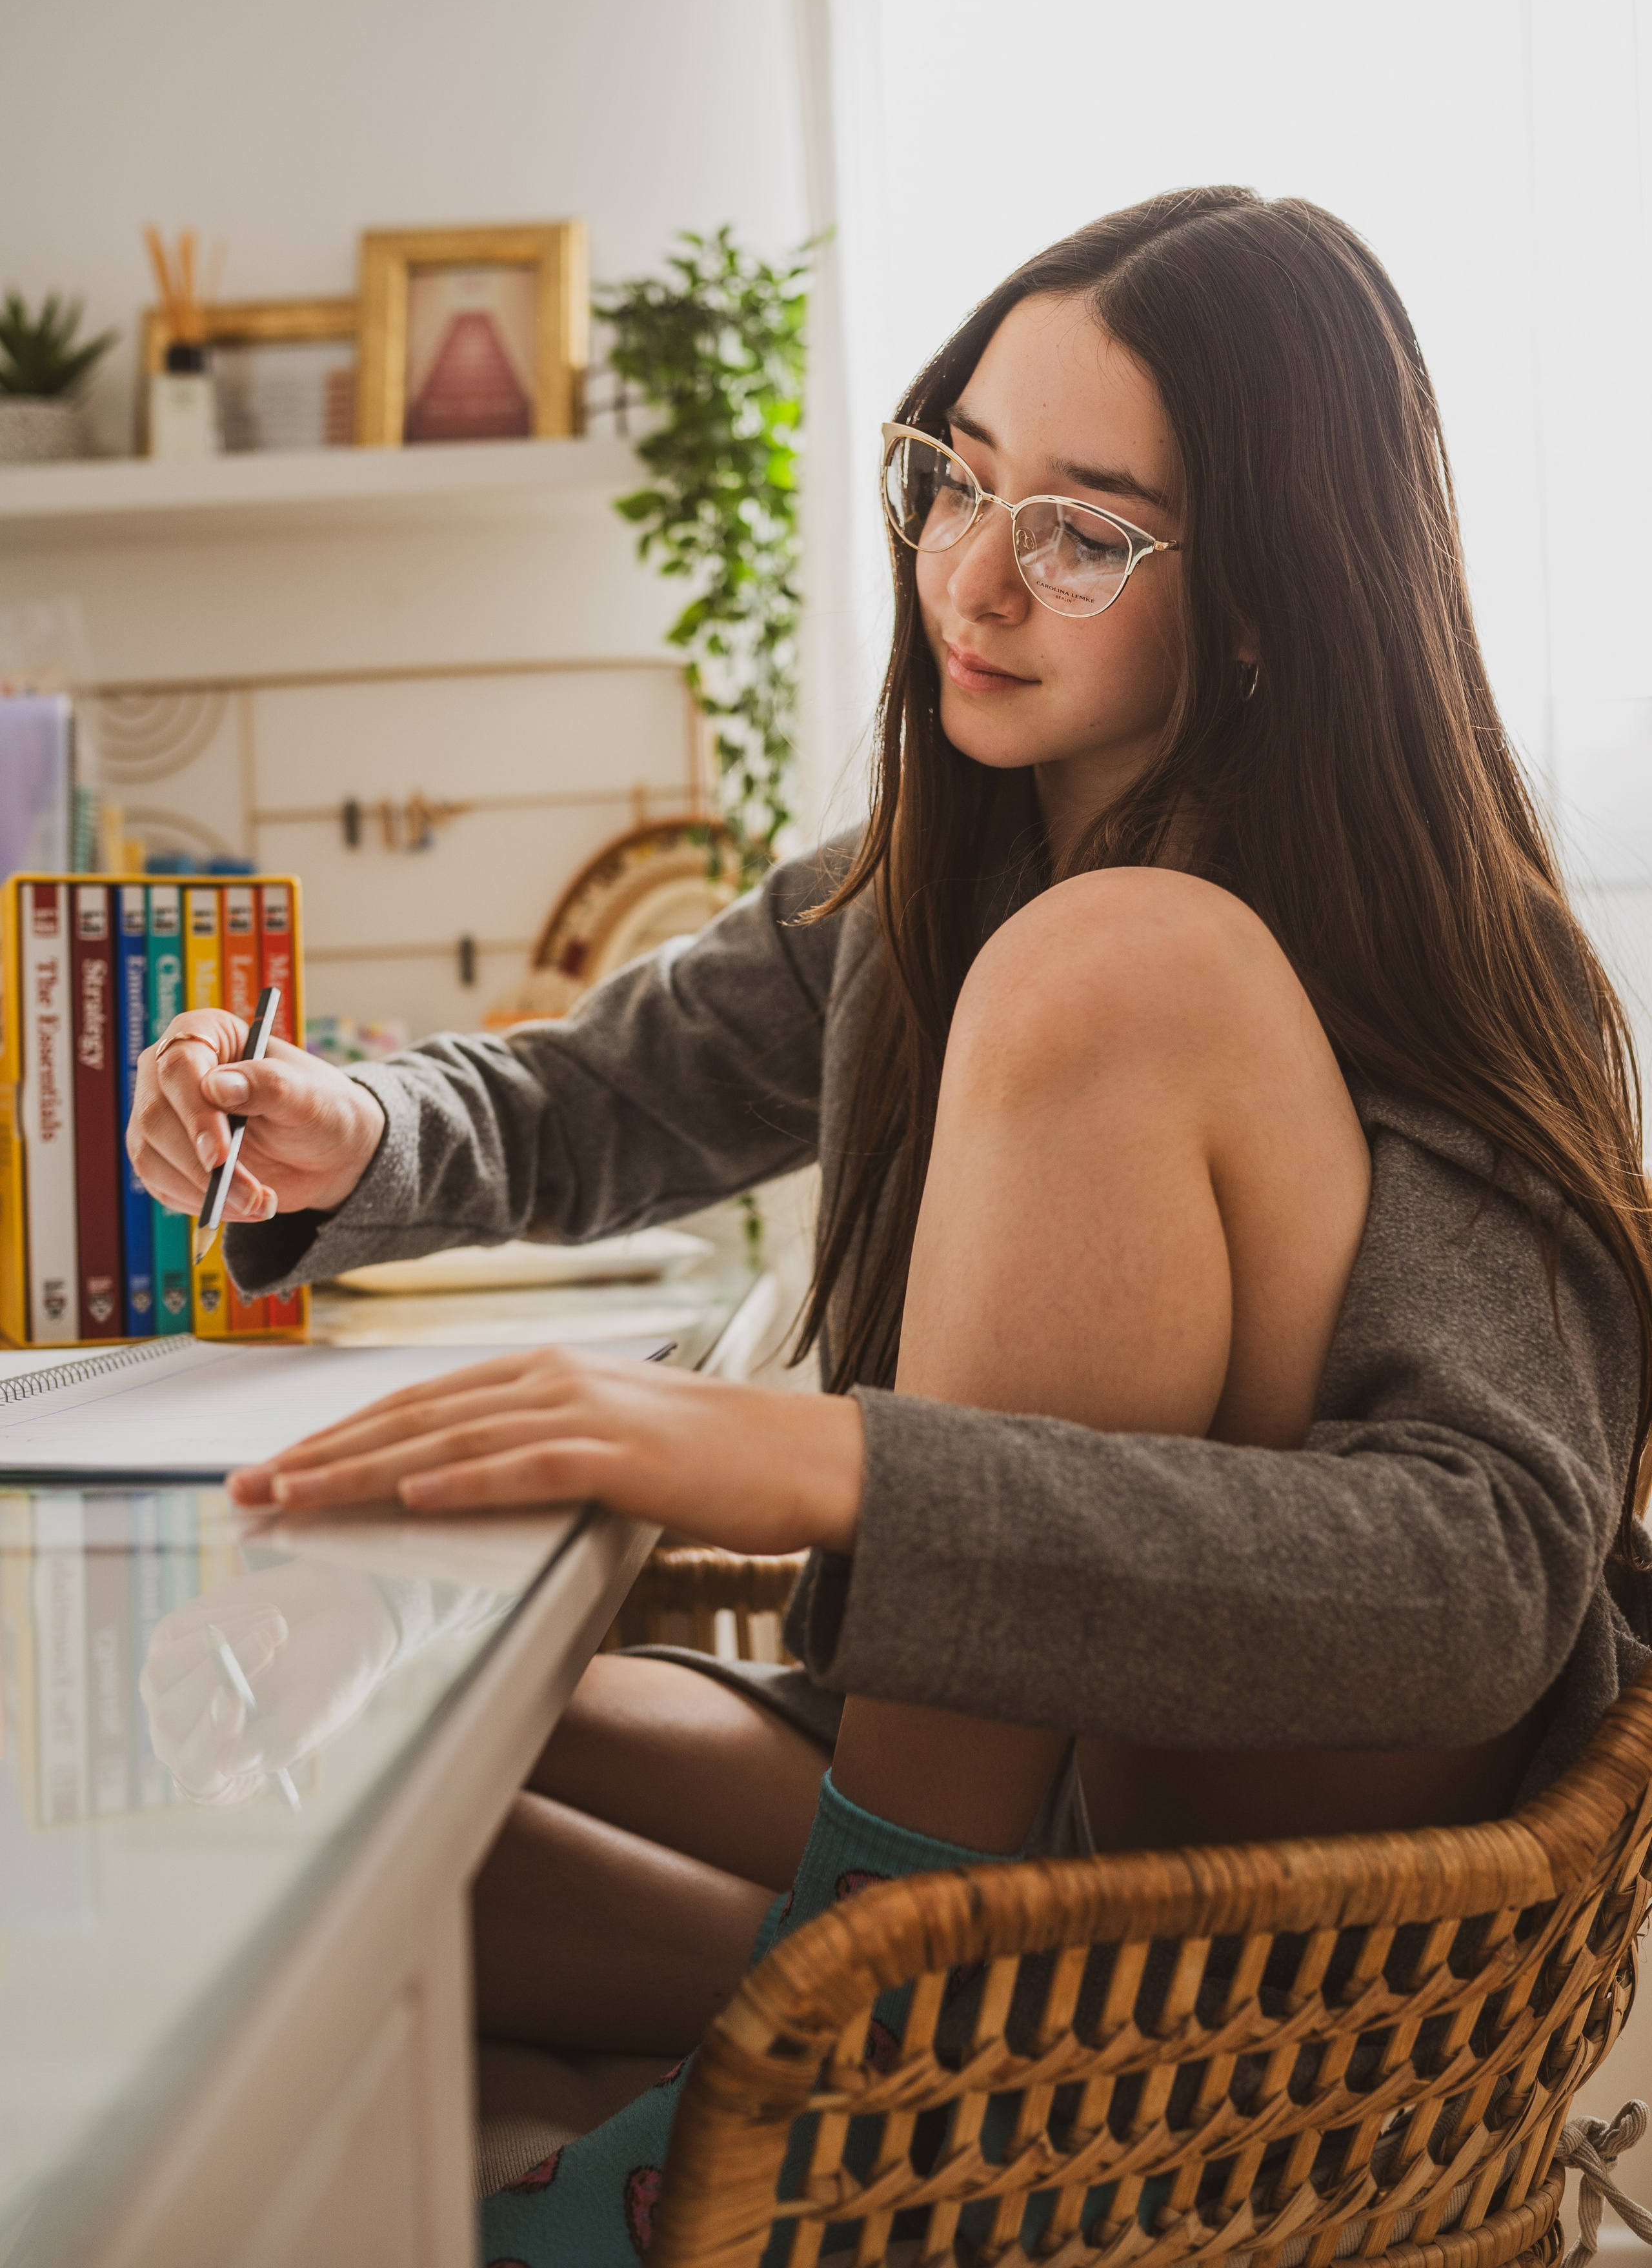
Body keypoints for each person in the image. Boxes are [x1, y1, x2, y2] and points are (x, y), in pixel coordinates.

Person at [128, 187, 1652, 2261]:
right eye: (959, 478)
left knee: (1110, 966)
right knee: (343, 1772)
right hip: (1045, 1831)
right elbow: (592, 1094)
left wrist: (818, 1459)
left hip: (1311, 1864)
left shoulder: (1426, 950)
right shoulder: (939, 864)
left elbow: (1482, 1576)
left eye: (1084, 532)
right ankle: (903, 2026)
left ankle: (862, 2134)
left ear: (1276, 601)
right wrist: (343, 1123)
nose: (973, 575)